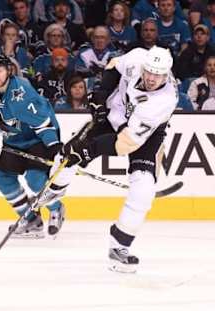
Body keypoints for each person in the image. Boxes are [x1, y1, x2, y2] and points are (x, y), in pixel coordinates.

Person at [41, 46, 178, 273]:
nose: (152, 78)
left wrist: (88, 151)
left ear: (167, 74)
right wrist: (101, 93)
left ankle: (119, 245)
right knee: (68, 152)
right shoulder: (137, 58)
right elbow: (114, 65)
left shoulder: (163, 101)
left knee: (143, 189)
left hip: (144, 135)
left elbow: (125, 144)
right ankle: (56, 187)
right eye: (150, 71)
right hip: (113, 113)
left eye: (159, 74)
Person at [0, 54, 65, 238]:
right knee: (3, 180)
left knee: (35, 180)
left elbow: (42, 123)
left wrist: (54, 146)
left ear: (8, 71)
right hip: (13, 142)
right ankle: (31, 219)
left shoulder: (21, 92)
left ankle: (57, 208)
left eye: (0, 70)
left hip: (37, 139)